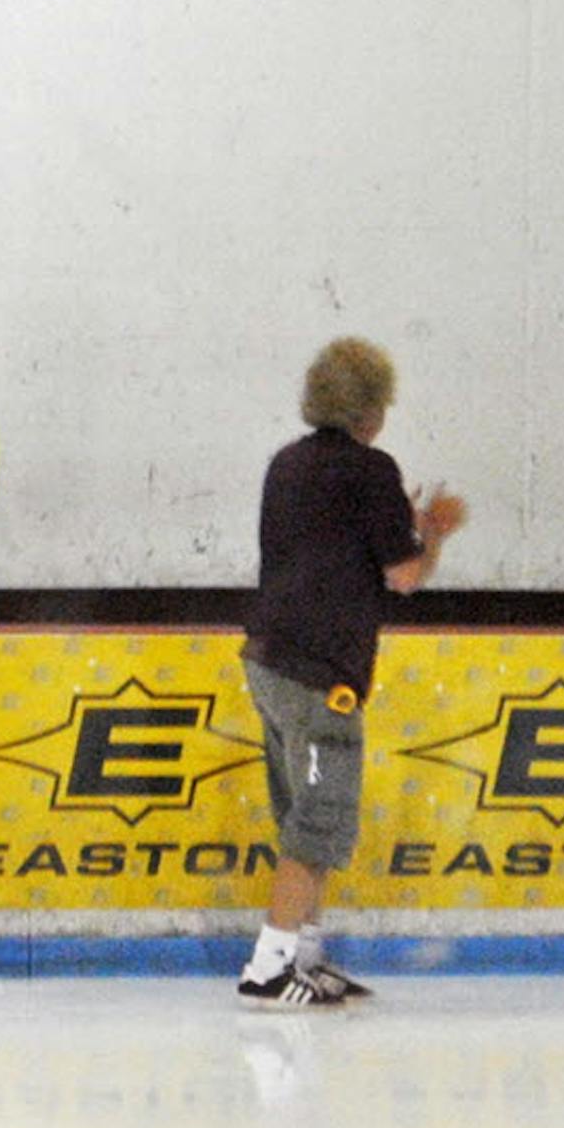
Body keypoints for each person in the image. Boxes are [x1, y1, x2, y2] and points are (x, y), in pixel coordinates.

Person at [237, 336, 466, 1008]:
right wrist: (435, 532)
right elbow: (403, 574)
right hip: (321, 670)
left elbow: (325, 545)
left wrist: (402, 523)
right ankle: (269, 965)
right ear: (371, 408)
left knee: (303, 816)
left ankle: (306, 957)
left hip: (269, 657)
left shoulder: (286, 464)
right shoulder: (371, 471)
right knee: (320, 820)